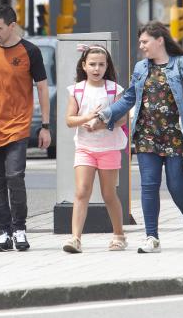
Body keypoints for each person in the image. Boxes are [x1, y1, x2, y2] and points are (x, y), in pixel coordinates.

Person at [89, 21, 183, 254]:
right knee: (149, 186)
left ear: (159, 40)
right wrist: (105, 114)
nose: (141, 46)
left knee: (176, 186)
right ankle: (152, 237)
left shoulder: (182, 65)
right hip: (147, 135)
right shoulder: (142, 68)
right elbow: (129, 98)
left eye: (145, 41)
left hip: (176, 136)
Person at [0, 4, 51, 252]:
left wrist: (45, 126)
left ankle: (20, 229)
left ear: (12, 26)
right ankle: (3, 232)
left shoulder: (30, 51)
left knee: (15, 178)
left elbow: (42, 88)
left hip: (17, 126)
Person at [62, 44, 128, 254]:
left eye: (101, 64)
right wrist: (89, 117)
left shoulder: (114, 89)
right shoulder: (77, 90)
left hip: (109, 147)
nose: (96, 68)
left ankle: (118, 235)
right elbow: (70, 120)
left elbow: (122, 119)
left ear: (107, 66)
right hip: (85, 148)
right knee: (82, 191)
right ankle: (75, 239)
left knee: (109, 194)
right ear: (84, 65)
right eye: (92, 64)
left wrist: (100, 124)